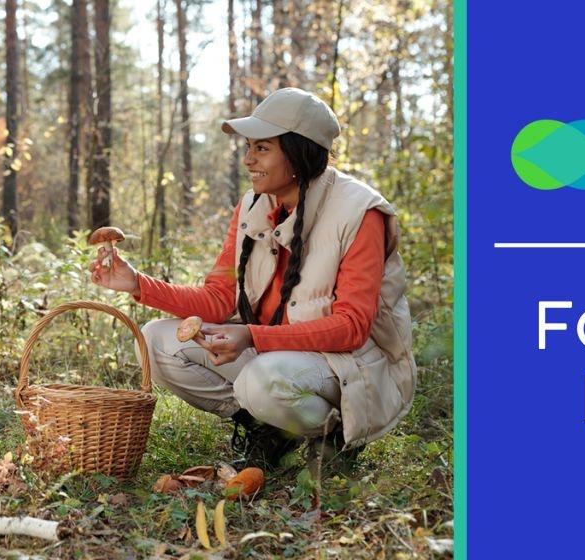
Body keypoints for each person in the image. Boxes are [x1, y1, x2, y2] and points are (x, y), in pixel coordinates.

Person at [90, 88, 417, 471]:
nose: (248, 160)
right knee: (156, 341)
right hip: (274, 355)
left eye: (262, 148)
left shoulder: (361, 212)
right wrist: (137, 284)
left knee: (259, 381)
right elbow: (219, 297)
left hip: (348, 366)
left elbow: (352, 327)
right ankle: (267, 429)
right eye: (249, 148)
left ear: (298, 152)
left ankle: (334, 438)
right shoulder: (252, 206)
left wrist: (252, 336)